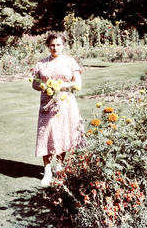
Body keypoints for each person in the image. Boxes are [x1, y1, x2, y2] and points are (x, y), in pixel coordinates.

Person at [32, 33, 85, 186]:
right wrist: (43, 86)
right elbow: (34, 83)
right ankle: (47, 170)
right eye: (52, 45)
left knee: (63, 133)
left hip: (66, 103)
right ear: (48, 46)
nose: (55, 48)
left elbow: (78, 84)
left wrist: (60, 85)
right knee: (46, 135)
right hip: (47, 104)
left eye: (58, 44)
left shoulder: (70, 62)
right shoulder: (41, 64)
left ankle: (59, 167)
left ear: (63, 45)